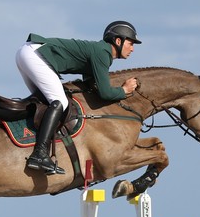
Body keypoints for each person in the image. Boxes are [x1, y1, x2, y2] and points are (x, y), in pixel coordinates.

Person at [16, 21, 141, 175]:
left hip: (29, 52)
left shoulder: (100, 51)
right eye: (131, 43)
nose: (133, 48)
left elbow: (92, 86)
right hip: (36, 55)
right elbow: (105, 93)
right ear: (118, 41)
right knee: (59, 102)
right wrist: (124, 90)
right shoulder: (103, 53)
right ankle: (39, 154)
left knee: (42, 103)